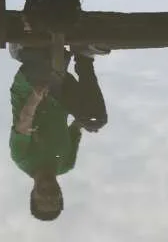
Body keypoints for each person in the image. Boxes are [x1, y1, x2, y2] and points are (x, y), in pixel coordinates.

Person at [8, 43, 108, 221]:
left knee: (54, 59)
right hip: (60, 94)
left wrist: (35, 97)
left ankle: (20, 49)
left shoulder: (22, 158)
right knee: (96, 120)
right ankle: (85, 57)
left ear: (33, 194)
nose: (49, 192)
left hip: (30, 87)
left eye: (43, 195)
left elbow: (23, 123)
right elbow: (76, 127)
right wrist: (87, 122)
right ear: (60, 194)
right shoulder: (67, 163)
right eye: (54, 196)